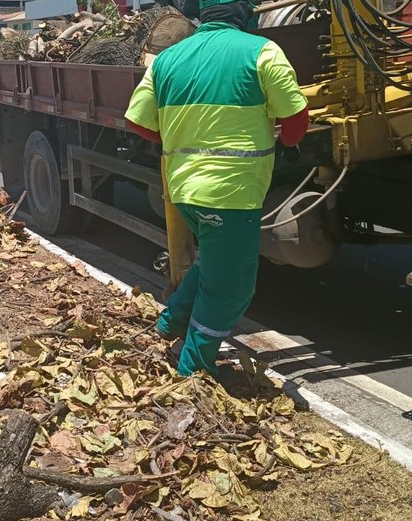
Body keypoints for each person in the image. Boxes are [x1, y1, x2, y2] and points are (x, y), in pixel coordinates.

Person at [125, 0, 308, 377]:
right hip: (232, 195)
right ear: (244, 14)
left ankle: (170, 323)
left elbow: (138, 122)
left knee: (213, 260)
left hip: (184, 191)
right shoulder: (262, 52)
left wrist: (177, 136)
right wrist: (286, 142)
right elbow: (296, 122)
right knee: (231, 288)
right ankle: (193, 369)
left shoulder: (166, 59)